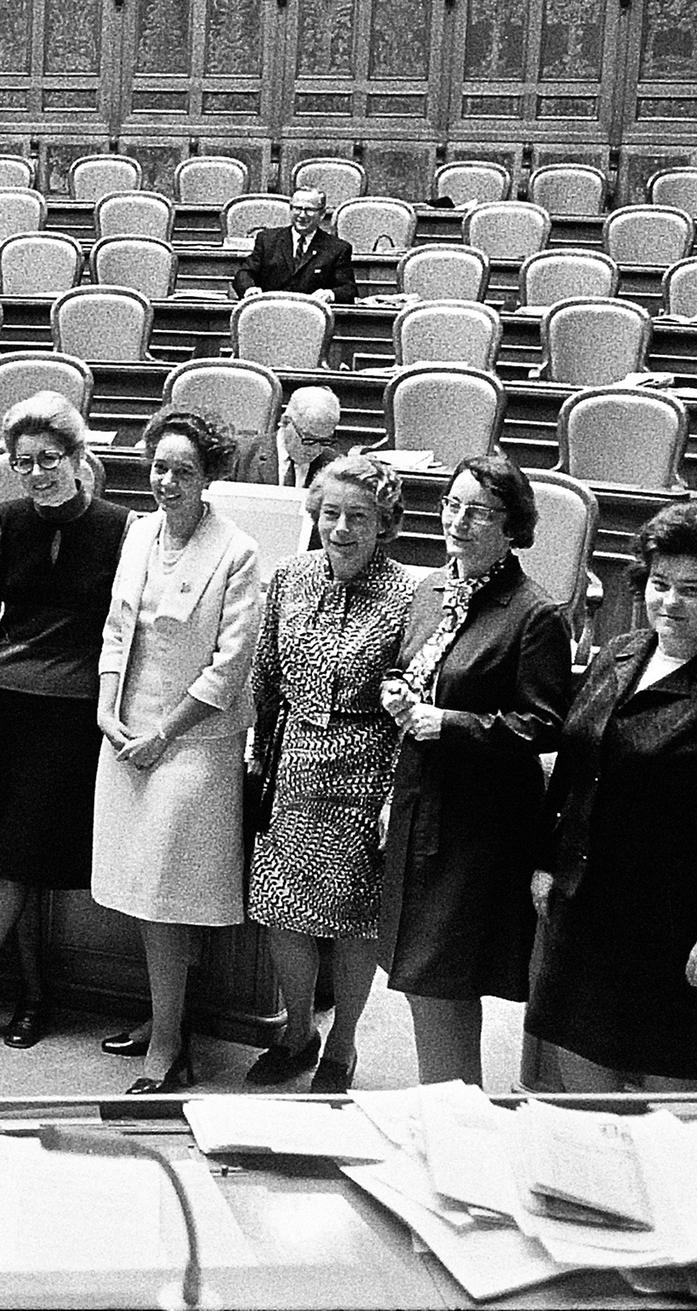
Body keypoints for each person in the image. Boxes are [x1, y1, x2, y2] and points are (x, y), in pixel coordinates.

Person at [527, 504, 697, 1091]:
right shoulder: (618, 653)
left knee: (673, 1125)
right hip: (590, 917)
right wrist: (547, 861)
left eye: (691, 590)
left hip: (678, 934)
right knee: (584, 1111)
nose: (669, 601)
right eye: (660, 584)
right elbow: (574, 768)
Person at [0, 393, 131, 1062]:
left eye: (50, 458)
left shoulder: (120, 528)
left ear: (80, 459)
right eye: (23, 462)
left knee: (23, 863)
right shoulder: (5, 519)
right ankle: (32, 993)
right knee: (14, 862)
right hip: (8, 715)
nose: (38, 472)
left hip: (75, 720)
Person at [375, 452, 573, 1087]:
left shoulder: (535, 614)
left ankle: (457, 1117)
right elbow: (425, 671)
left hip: (476, 824)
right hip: (417, 806)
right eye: (451, 506)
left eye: (477, 512)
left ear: (512, 524)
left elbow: (543, 723)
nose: (457, 521)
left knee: (442, 978)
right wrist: (403, 695)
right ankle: (451, 1114)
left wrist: (449, 722)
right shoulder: (429, 590)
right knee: (419, 978)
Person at [90, 404, 266, 1093]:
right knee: (142, 892)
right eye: (159, 466)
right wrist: (108, 711)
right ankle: (165, 1017)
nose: (167, 481)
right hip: (128, 732)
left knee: (166, 891)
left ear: (208, 476)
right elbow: (115, 629)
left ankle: (168, 1043)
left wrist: (163, 734)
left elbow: (229, 666)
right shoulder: (137, 534)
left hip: (193, 743)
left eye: (183, 471)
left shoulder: (238, 550)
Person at [245, 453, 418, 1092]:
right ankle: (297, 1029)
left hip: (365, 768)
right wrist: (261, 753)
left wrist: (394, 792)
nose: (341, 528)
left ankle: (342, 1045)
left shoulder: (408, 591)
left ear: (384, 525)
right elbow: (265, 671)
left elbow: (413, 692)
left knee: (354, 920)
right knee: (281, 908)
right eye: (331, 514)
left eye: (358, 517)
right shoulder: (289, 577)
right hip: (292, 769)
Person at [232, 186, 356, 303]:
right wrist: (249, 289)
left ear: (322, 214)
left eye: (309, 210)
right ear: (290, 210)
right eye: (297, 208)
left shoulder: (338, 248)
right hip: (270, 313)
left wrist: (330, 294)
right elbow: (244, 273)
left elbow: (349, 289)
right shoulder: (267, 239)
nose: (302, 215)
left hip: (311, 317)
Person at [269, 385, 344, 489]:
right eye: (309, 439)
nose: (315, 450)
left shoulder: (335, 467)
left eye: (324, 441)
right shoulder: (242, 457)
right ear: (285, 422)